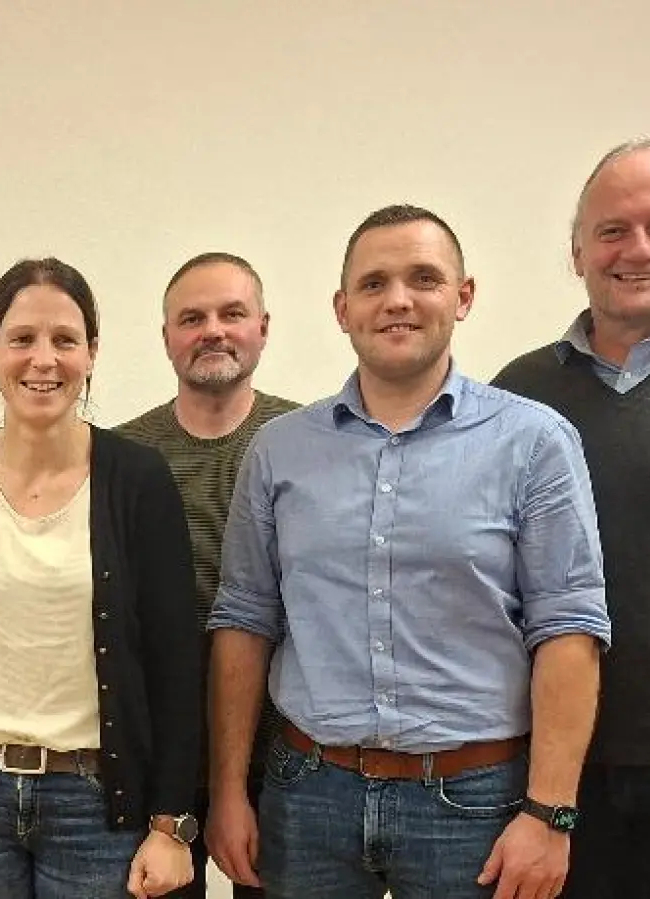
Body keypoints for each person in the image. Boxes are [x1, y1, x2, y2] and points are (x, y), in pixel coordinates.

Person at [209, 204, 611, 898]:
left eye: (424, 278)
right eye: (373, 284)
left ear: (463, 296)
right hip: (308, 796)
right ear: (342, 309)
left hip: (476, 802)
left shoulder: (535, 443)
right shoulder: (280, 450)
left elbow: (568, 628)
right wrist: (226, 792)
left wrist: (550, 812)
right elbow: (245, 620)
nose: (397, 299)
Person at [0, 258, 201, 899]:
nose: (43, 359)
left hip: (98, 804)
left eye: (65, 339)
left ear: (92, 353)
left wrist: (171, 825)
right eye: (22, 338)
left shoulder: (139, 481)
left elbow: (176, 664)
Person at [493, 138, 650, 897]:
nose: (637, 250)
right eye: (611, 231)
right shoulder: (517, 395)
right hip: (550, 776)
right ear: (577, 250)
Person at [115, 252, 298, 899]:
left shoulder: (310, 443)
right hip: (157, 757)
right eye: (192, 318)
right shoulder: (120, 457)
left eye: (232, 313)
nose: (212, 330)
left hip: (285, 756)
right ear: (166, 336)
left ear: (263, 327)